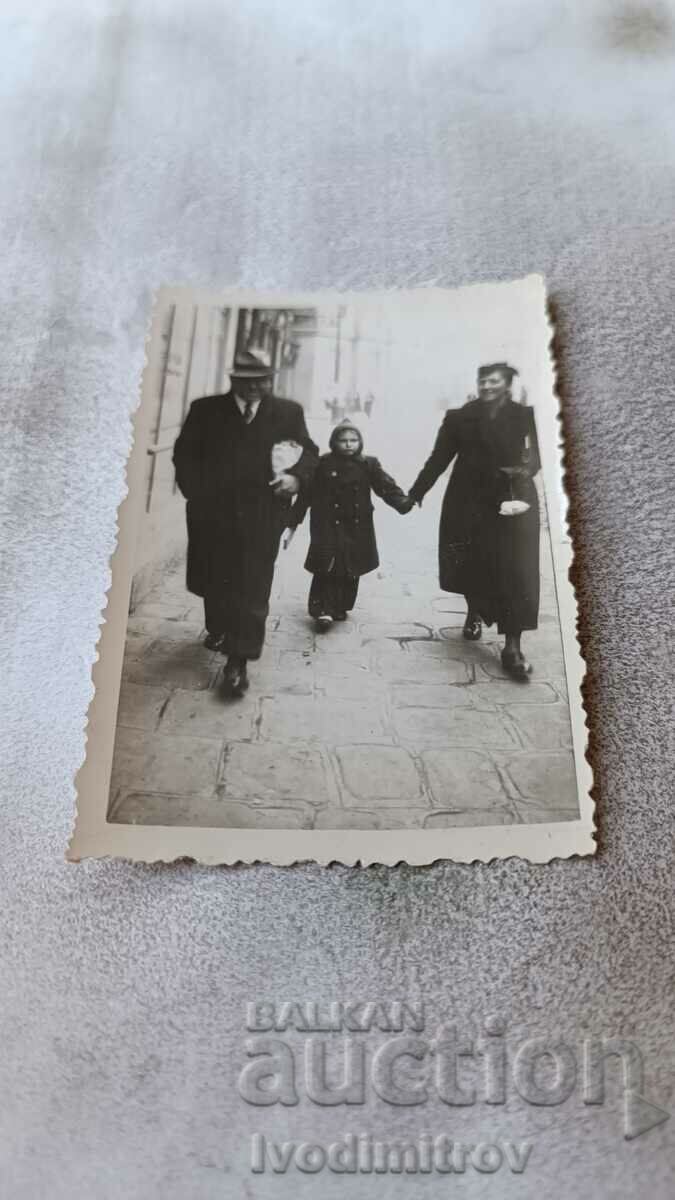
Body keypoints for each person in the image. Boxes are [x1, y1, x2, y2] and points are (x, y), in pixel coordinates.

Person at [172, 351, 318, 696]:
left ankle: (239, 661)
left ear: (271, 379)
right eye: (247, 380)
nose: (255, 387)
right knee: (215, 579)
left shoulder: (287, 412)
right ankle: (219, 626)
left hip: (263, 513)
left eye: (262, 379)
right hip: (213, 514)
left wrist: (296, 478)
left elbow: (310, 453)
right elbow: (184, 454)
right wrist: (198, 493)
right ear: (232, 379)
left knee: (253, 586)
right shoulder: (205, 410)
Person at [408, 362, 541, 679]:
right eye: (482, 381)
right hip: (469, 501)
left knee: (517, 571)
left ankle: (512, 646)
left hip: (514, 500)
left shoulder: (524, 416)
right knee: (472, 562)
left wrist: (522, 472)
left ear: (507, 384)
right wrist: (415, 493)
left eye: (493, 381)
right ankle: (474, 609)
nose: (486, 386)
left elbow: (536, 457)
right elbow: (439, 458)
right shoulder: (460, 417)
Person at [288, 418, 413, 631]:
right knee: (326, 564)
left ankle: (340, 606)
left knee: (350, 566)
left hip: (357, 525)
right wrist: (292, 522)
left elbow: (385, 486)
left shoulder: (368, 464)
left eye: (353, 440)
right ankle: (322, 610)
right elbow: (306, 494)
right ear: (333, 442)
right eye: (343, 440)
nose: (348, 444)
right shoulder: (323, 464)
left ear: (360, 442)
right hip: (327, 523)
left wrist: (403, 502)